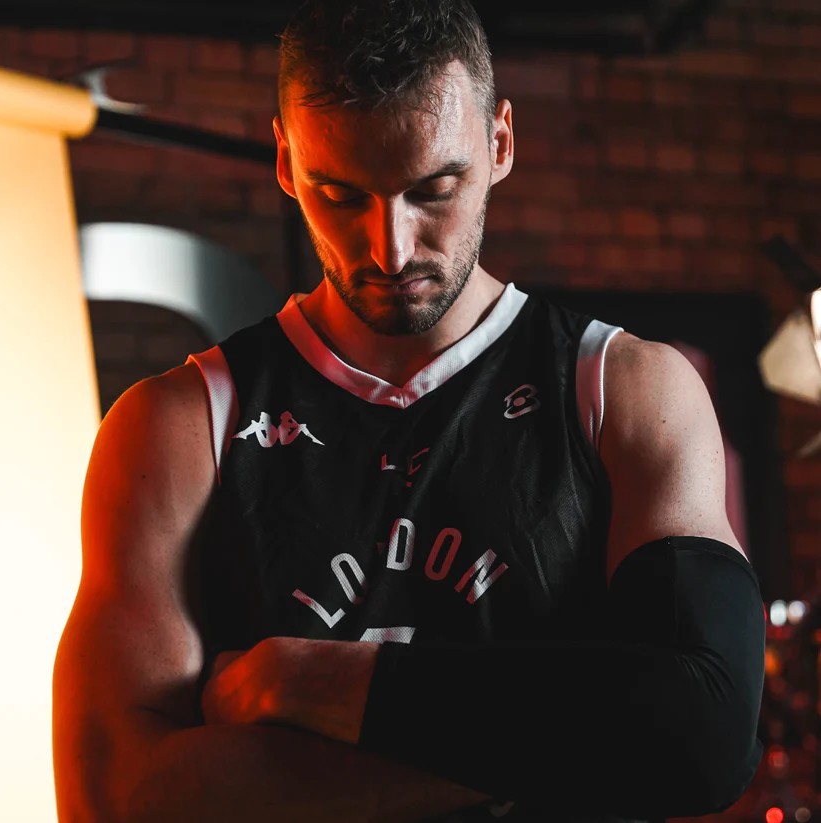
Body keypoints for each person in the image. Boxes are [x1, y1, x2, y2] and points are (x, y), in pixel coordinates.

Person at [52, 1, 766, 820]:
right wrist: (583, 743)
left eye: (433, 190)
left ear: (499, 144)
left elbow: (704, 731)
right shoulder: (180, 426)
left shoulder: (624, 390)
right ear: (285, 160)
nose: (388, 248)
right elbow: (113, 798)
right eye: (338, 194)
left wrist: (310, 681)